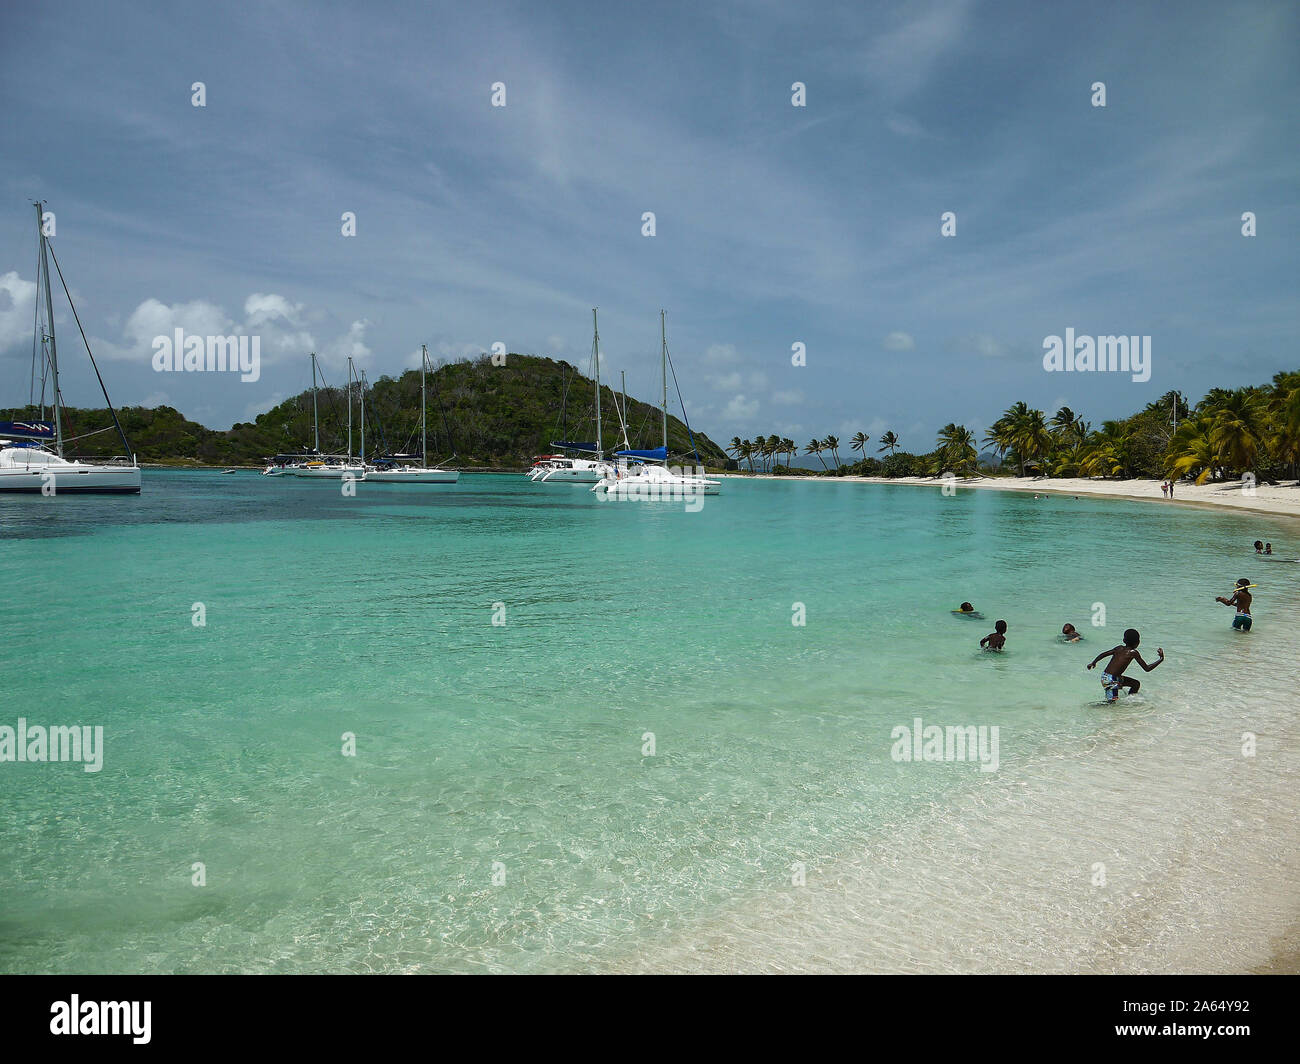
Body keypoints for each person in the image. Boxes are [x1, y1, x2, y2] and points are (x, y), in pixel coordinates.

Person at [1087, 629, 1164, 702]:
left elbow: (1104, 654)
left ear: (1124, 640)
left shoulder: (1119, 648)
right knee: (1111, 703)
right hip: (1111, 680)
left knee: (1135, 684)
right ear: (1138, 642)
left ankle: (1130, 701)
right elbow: (1147, 668)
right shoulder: (1133, 652)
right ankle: (1093, 707)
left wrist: (1093, 662)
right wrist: (1161, 659)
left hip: (1108, 676)